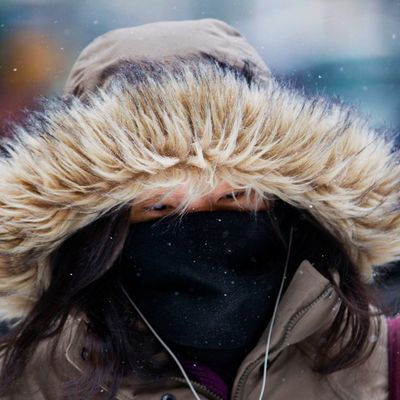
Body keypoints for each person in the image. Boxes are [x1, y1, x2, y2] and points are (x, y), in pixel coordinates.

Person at [0, 18, 398, 400]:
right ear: (99, 234)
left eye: (232, 197)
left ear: (286, 206)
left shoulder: (385, 366)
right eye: (158, 205)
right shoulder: (25, 384)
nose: (203, 228)